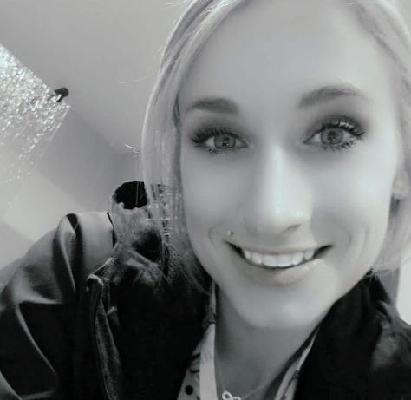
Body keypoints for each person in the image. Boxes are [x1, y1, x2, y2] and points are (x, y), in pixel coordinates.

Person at [1, 0, 411, 399]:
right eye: (222, 139)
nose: (271, 213)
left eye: (333, 133)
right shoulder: (74, 271)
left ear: (403, 164)